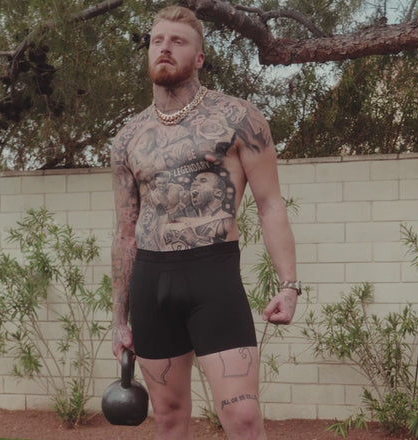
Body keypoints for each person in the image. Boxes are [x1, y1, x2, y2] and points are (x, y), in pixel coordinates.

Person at [109, 6, 300, 440]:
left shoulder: (238, 117)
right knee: (169, 418)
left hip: (213, 277)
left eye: (178, 41)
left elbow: (270, 205)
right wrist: (120, 318)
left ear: (199, 57)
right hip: (151, 281)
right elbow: (125, 230)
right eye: (157, 40)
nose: (164, 48)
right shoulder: (128, 137)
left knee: (243, 418)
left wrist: (289, 285)